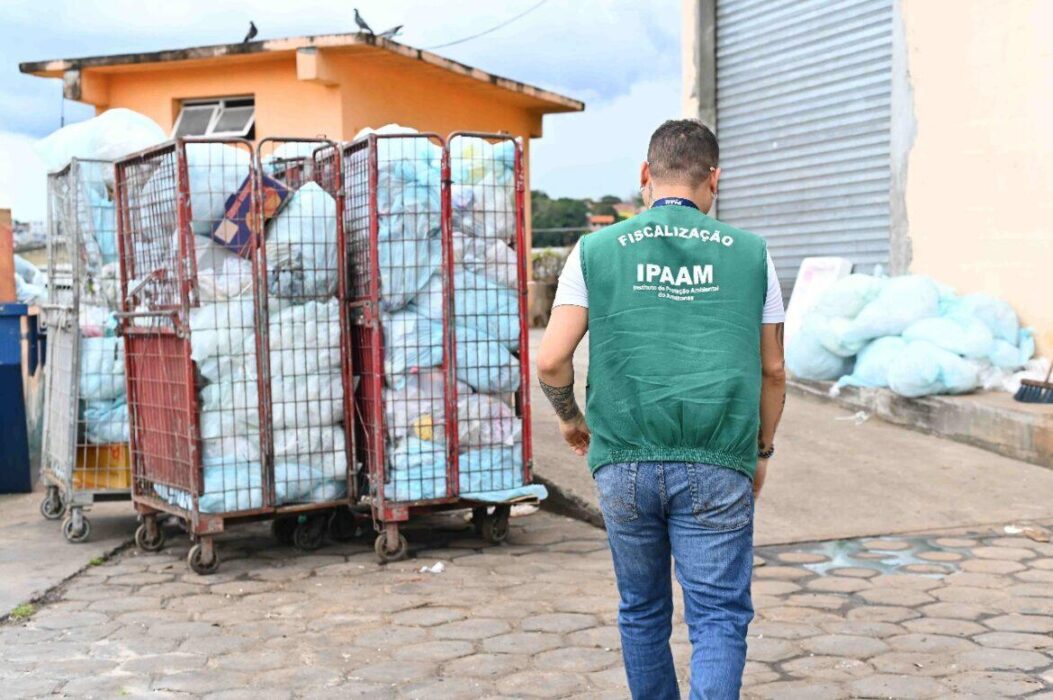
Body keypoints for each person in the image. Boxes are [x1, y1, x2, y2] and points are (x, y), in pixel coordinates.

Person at [536, 119, 787, 699]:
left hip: (622, 459)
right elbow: (774, 370)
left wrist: (572, 419)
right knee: (718, 617)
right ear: (714, 181)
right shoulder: (753, 256)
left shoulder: (595, 250)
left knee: (643, 611)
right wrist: (761, 450)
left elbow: (551, 360)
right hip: (720, 459)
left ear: (645, 176)